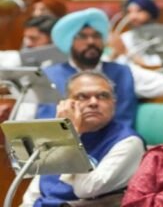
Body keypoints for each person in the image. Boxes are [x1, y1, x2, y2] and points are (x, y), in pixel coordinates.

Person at [22, 71, 144, 206]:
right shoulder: (57, 137)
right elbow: (35, 192)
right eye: (82, 97)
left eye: (103, 96)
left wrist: (71, 136)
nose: (93, 102)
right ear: (66, 104)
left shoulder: (129, 142)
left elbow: (85, 189)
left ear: (113, 103)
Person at [38, 8, 138, 126]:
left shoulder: (122, 72)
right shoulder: (49, 75)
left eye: (96, 36)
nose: (91, 42)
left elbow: (123, 120)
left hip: (113, 136)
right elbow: (44, 121)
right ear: (69, 41)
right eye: (82, 36)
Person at [110, 0, 163, 67]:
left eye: (139, 11)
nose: (133, 16)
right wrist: (114, 55)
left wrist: (126, 52)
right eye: (129, 12)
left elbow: (155, 67)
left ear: (150, 13)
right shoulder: (125, 38)